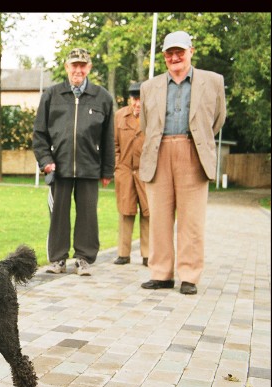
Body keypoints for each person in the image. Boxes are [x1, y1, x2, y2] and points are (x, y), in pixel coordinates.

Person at [139, 31, 226, 295]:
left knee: (192, 221)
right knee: (160, 219)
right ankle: (161, 274)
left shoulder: (212, 81)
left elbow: (218, 119)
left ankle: (189, 276)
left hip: (193, 152)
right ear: (164, 56)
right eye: (169, 53)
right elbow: (145, 124)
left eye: (179, 51)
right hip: (159, 152)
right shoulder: (148, 87)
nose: (174, 57)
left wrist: (196, 140)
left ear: (191, 51)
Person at [33, 47, 115, 276]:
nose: (78, 69)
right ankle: (58, 259)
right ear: (66, 67)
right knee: (58, 213)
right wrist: (45, 160)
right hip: (59, 167)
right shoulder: (51, 95)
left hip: (90, 167)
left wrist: (108, 170)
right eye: (74, 65)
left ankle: (84, 259)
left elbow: (109, 137)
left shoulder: (103, 97)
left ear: (89, 68)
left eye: (82, 65)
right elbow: (39, 134)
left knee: (88, 215)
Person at [113, 81, 149, 267]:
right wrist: (118, 165)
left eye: (141, 99)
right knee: (125, 213)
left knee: (147, 213)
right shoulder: (119, 116)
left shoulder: (152, 116)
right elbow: (114, 144)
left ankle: (147, 255)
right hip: (125, 171)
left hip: (146, 172)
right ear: (130, 99)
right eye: (135, 99)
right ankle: (123, 254)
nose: (137, 104)